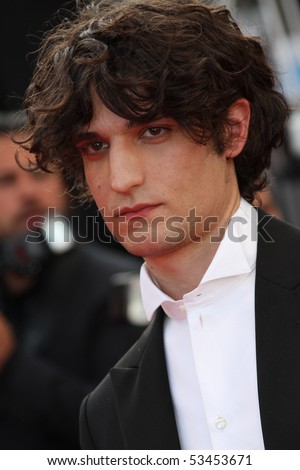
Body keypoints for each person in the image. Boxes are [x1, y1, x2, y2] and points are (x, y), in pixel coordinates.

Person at [18, 0, 298, 450]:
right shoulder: (106, 411)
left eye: (153, 131)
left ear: (232, 129)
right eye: (95, 146)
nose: (121, 178)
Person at [0, 113, 144, 449]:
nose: (27, 192)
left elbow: (124, 425)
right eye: (6, 181)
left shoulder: (121, 283)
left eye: (37, 175)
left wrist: (13, 364)